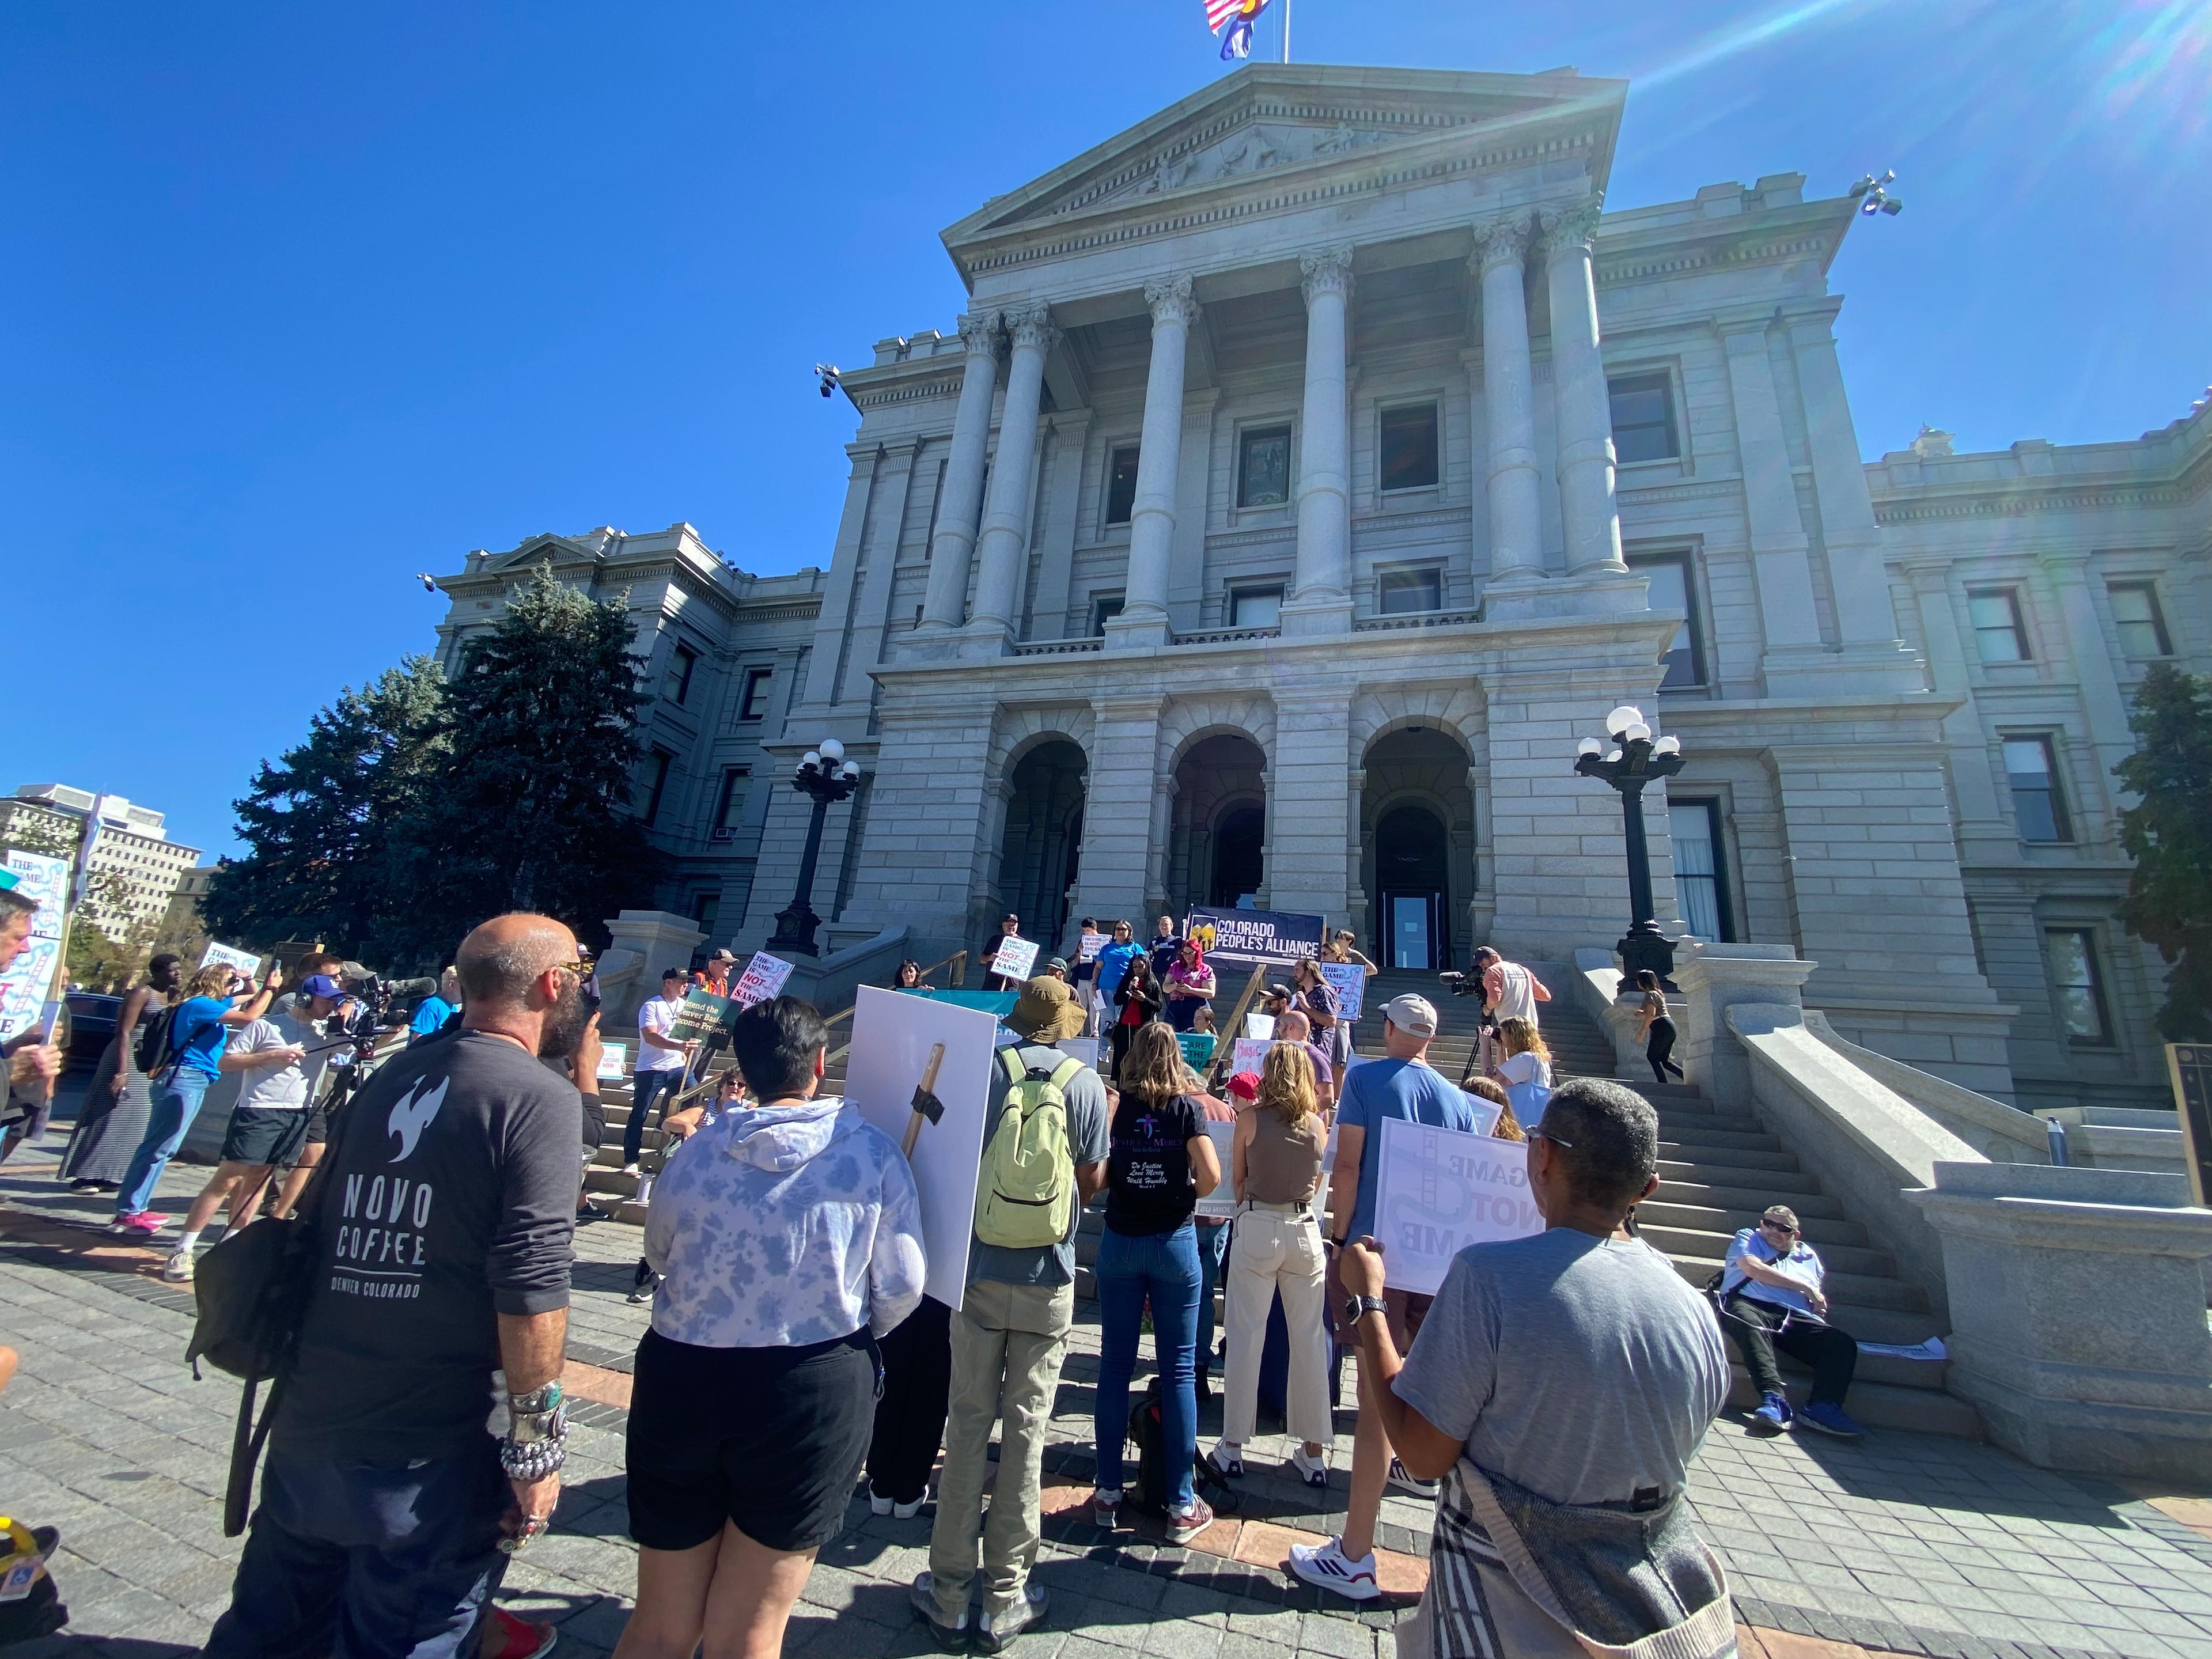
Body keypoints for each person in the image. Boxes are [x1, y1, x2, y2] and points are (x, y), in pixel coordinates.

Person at [200, 914, 593, 1659]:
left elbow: (314, 1231)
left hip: (312, 1420)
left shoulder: (391, 1077)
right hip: (428, 1459)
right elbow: (532, 1283)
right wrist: (535, 1446)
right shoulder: (539, 1099)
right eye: (579, 970)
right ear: (552, 984)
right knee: (405, 1636)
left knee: (267, 1632)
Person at [1332, 1078, 1733, 1653]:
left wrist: (1369, 1302)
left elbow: (1421, 1455)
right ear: (1647, 1188)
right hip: (1650, 1610)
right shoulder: (1695, 1311)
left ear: (1541, 1156)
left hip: (1507, 1613)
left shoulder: (1490, 1280)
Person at [618, 996, 923, 1659]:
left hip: (683, 1375)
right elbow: (901, 1287)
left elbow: (659, 1255)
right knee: (750, 1633)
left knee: (661, 1625)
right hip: (809, 1386)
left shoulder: (694, 1153)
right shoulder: (870, 1156)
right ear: (820, 1062)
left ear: (744, 1069)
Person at [915, 974, 1107, 1652]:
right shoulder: (1084, 1084)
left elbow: (949, 1151)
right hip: (1048, 1276)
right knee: (1029, 1430)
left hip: (978, 1271)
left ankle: (946, 1590)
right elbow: (1091, 1181)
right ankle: (1006, 1594)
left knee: (966, 1423)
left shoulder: (983, 1070)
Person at [1292, 993, 1478, 1600]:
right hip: (1435, 1264)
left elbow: (1347, 1167)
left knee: (1376, 1409)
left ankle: (1354, 1555)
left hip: (1378, 1254)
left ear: (1391, 1028)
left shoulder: (1368, 1078)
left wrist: (1340, 1237)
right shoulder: (1458, 1100)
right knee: (1423, 1404)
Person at [1089, 1021, 1222, 1543]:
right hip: (1173, 1240)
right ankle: (1181, 1502)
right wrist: (1184, 1191)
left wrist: (1125, 1178)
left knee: (1114, 1365)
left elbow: (1095, 1176)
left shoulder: (1116, 1107)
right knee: (1179, 1370)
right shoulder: (1186, 1108)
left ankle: (1106, 1491)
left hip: (1121, 1240)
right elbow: (1211, 1177)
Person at [161, 973, 353, 1281]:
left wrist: (388, 1022)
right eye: (326, 999)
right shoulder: (267, 1025)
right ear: (306, 998)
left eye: (334, 1000)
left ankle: (234, 1244)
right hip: (259, 1110)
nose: (331, 1006)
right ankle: (184, 1247)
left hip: (297, 1113)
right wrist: (271, 1056)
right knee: (229, 1178)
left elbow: (360, 1048)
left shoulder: (324, 1032)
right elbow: (225, 1062)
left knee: (259, 1181)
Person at [1210, 1043, 1332, 1489]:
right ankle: (1315, 1450)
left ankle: (1234, 1444)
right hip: (1303, 1227)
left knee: (1245, 1335)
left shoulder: (1250, 1119)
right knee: (1309, 1339)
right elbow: (1317, 1183)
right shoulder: (1318, 1125)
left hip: (1260, 1221)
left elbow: (1238, 1181)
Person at [109, 960, 282, 1236]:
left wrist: (250, 981)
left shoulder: (207, 1005)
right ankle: (129, 1212)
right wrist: (271, 989)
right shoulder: (200, 1005)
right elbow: (251, 1016)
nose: (232, 987)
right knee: (158, 1147)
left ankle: (136, 1208)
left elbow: (250, 997)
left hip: (194, 1079)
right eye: (229, 982)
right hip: (184, 1078)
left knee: (164, 1146)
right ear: (215, 982)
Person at [1718, 1206, 1866, 1440]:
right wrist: (1804, 1287)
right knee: (1751, 1325)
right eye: (1769, 1223)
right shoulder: (1748, 1237)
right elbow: (1752, 1268)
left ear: (1795, 1235)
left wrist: (1818, 1307)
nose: (1773, 1231)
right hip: (1749, 1302)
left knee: (1841, 1344)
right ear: (1761, 1223)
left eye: (1783, 1228)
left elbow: (1816, 1296)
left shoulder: (1809, 1256)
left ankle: (1822, 1406)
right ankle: (1774, 1400)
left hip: (1794, 1314)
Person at [60, 952, 183, 1194]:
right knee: (109, 1114)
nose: (178, 973)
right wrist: (121, 1071)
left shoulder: (173, 996)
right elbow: (124, 1032)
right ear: (158, 972)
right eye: (172, 970)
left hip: (148, 1059)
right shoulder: (141, 993)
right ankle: (85, 1176)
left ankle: (112, 1173)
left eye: (179, 969)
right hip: (125, 1056)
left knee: (135, 1120)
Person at [1180, 1062, 1237, 1404]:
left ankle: (1187, 1366)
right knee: (1203, 1293)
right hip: (1219, 1215)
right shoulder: (1227, 1111)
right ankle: (1198, 1364)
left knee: (1184, 1294)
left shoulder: (1183, 1108)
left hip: (1188, 1210)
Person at [624, 968, 695, 1176]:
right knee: (640, 1113)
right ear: (668, 983)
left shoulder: (685, 1005)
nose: (685, 985)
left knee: (694, 1095)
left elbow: (693, 1031)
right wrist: (679, 1047)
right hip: (650, 1069)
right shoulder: (651, 1006)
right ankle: (631, 1159)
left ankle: (676, 1147)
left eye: (687, 982)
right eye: (681, 981)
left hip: (677, 1067)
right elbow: (651, 1037)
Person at [1319, 933, 1377, 1067]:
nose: (1338, 940)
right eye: (1337, 938)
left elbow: (1373, 970)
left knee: (1343, 1052)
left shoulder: (1353, 955)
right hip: (1328, 1015)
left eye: (1341, 938)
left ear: (1349, 941)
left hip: (1345, 1008)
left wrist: (1357, 975)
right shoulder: (1323, 967)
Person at [1109, 951, 1164, 1082]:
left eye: (1141, 966)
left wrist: (1144, 999)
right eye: (1135, 967)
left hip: (1142, 1028)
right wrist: (1128, 991)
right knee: (1122, 1059)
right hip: (1124, 1026)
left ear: (1147, 966)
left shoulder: (1153, 983)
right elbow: (1117, 1000)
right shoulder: (1127, 980)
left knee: (1140, 1060)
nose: (1138, 970)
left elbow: (1158, 1006)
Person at [1495, 1017, 1554, 1130]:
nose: (1501, 1038)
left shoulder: (1525, 1058)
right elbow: (1502, 1072)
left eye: (1503, 1034)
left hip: (1520, 1120)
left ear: (1513, 1036)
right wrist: (1500, 1048)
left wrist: (1484, 1044)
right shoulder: (1537, 1058)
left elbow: (1492, 1080)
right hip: (1535, 1118)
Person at [1272, 1008, 1336, 1111]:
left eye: (1280, 1025)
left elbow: (1327, 1097)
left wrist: (1299, 1113)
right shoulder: (1285, 1053)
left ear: (1290, 1027)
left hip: (1302, 1124)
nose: (1278, 1029)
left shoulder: (1315, 1056)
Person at [1475, 946, 1551, 1028]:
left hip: (1510, 1029)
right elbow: (1546, 996)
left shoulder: (1493, 971)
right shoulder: (1523, 969)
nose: (1483, 969)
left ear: (1493, 958)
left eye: (1483, 964)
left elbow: (1494, 999)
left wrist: (1487, 1009)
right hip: (1531, 1027)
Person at [1634, 970, 1685, 1085]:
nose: (1637, 983)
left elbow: (1651, 1015)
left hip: (1660, 1026)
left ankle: (1663, 1084)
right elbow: (1656, 1010)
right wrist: (1642, 1012)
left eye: (1639, 980)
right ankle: (1685, 1076)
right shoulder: (1658, 993)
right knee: (1664, 1060)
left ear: (1643, 982)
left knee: (1652, 1056)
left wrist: (1641, 1033)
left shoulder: (1650, 994)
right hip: (1669, 1026)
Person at [1290, 957, 1342, 1071]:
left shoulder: (1323, 992)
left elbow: (1331, 1021)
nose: (1295, 974)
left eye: (1298, 970)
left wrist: (1306, 1007)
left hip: (1318, 1049)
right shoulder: (1303, 993)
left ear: (1309, 972)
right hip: (1301, 1049)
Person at [1092, 921, 1141, 1040]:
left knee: (1121, 1020)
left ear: (1129, 931)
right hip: (1105, 988)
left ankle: (1118, 1047)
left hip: (1124, 989)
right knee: (1106, 1020)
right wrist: (1094, 984)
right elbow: (1098, 967)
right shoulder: (1107, 948)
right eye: (1118, 929)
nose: (1120, 932)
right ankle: (1103, 1052)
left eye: (1123, 929)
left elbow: (1142, 967)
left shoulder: (1135, 947)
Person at [1162, 939, 1216, 1033]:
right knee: (1169, 1034)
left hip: (1196, 1006)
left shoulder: (1205, 969)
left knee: (1191, 1034)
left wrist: (1191, 990)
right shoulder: (1176, 966)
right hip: (1176, 1005)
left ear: (1197, 953)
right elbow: (1165, 987)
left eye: (1190, 953)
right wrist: (1175, 986)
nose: (1187, 956)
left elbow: (1211, 993)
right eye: (1184, 953)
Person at [409, 967, 463, 1044]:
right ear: (452, 985)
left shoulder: (453, 1008)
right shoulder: (431, 1005)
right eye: (463, 986)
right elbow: (418, 1041)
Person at [980, 914, 1025, 990]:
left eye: (1014, 925)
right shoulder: (994, 940)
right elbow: (982, 960)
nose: (1011, 927)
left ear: (1017, 926)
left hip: (1011, 986)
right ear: (1003, 925)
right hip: (991, 984)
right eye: (1009, 925)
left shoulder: (1023, 944)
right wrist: (990, 958)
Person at [1147, 915, 1183, 981]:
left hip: (1173, 975)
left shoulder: (1178, 940)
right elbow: (1148, 954)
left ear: (1172, 926)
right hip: (1157, 976)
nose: (1164, 926)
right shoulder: (1154, 941)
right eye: (1161, 924)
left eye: (1166, 924)